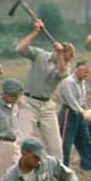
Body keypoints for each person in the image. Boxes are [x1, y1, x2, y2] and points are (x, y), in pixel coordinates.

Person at [17, 19, 73, 160]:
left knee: (55, 145)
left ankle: (57, 175)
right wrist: (35, 32)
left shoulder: (65, 65)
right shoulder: (40, 55)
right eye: (65, 58)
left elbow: (62, 72)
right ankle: (19, 170)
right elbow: (20, 49)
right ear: (55, 51)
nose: (65, 62)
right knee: (23, 139)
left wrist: (60, 54)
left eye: (66, 60)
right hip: (28, 102)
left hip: (47, 106)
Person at [58, 61, 91, 172]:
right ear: (77, 69)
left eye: (88, 72)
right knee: (65, 144)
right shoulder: (68, 82)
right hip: (69, 114)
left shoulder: (82, 82)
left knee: (85, 140)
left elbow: (82, 99)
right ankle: (63, 169)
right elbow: (71, 101)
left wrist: (85, 110)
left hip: (80, 115)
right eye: (85, 72)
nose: (86, 74)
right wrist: (82, 112)